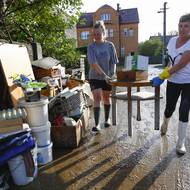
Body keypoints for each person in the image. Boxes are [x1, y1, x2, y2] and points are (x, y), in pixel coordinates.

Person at [151, 13, 190, 154]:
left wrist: (162, 76)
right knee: (169, 108)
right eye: (180, 25)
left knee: (184, 109)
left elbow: (180, 65)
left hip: (188, 82)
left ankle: (180, 143)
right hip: (173, 81)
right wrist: (164, 76)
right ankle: (165, 124)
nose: (182, 29)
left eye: (186, 26)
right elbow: (170, 62)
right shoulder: (172, 41)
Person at [87, 20, 118, 133]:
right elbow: (94, 64)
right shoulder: (91, 47)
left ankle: (107, 119)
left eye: (98, 34)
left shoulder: (110, 46)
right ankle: (97, 124)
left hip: (108, 77)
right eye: (94, 34)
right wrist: (104, 75)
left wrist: (112, 74)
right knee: (97, 97)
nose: (96, 36)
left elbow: (114, 62)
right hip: (95, 76)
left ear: (103, 33)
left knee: (106, 97)